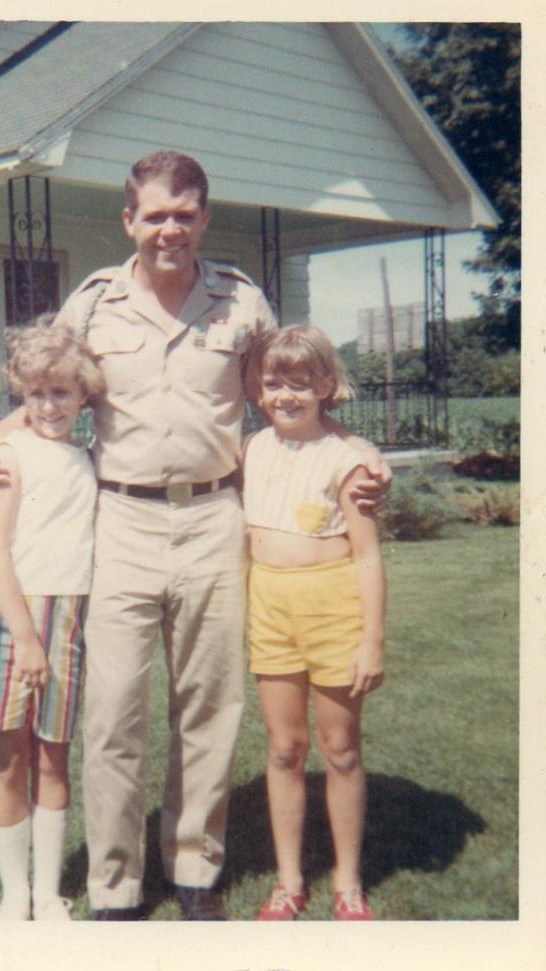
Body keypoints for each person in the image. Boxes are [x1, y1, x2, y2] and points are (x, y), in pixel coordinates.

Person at [0, 151, 390, 921]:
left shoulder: (242, 302)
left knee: (208, 706)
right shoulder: (94, 302)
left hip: (214, 522)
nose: (170, 229)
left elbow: (292, 390)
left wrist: (359, 452)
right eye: (155, 215)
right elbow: (42, 383)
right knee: (114, 711)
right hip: (120, 520)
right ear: (130, 220)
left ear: (204, 218)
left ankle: (194, 868)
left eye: (184, 214)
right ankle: (117, 884)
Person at [242, 325, 385, 921]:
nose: (285, 397)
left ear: (327, 385)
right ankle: (289, 880)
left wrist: (371, 640)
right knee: (283, 747)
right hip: (270, 604)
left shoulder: (347, 459)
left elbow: (369, 554)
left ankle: (347, 882)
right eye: (274, 385)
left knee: (340, 748)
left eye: (300, 384)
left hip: (332, 606)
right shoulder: (250, 449)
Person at [0, 321, 105, 921]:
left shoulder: (87, 456)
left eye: (62, 394)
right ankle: (13, 895)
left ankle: (48, 893)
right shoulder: (7, 456)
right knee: (9, 757)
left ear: (83, 396)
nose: (48, 407)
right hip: (9, 616)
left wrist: (50, 635)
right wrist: (24, 637)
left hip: (68, 612)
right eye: (36, 395)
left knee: (53, 754)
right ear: (21, 397)